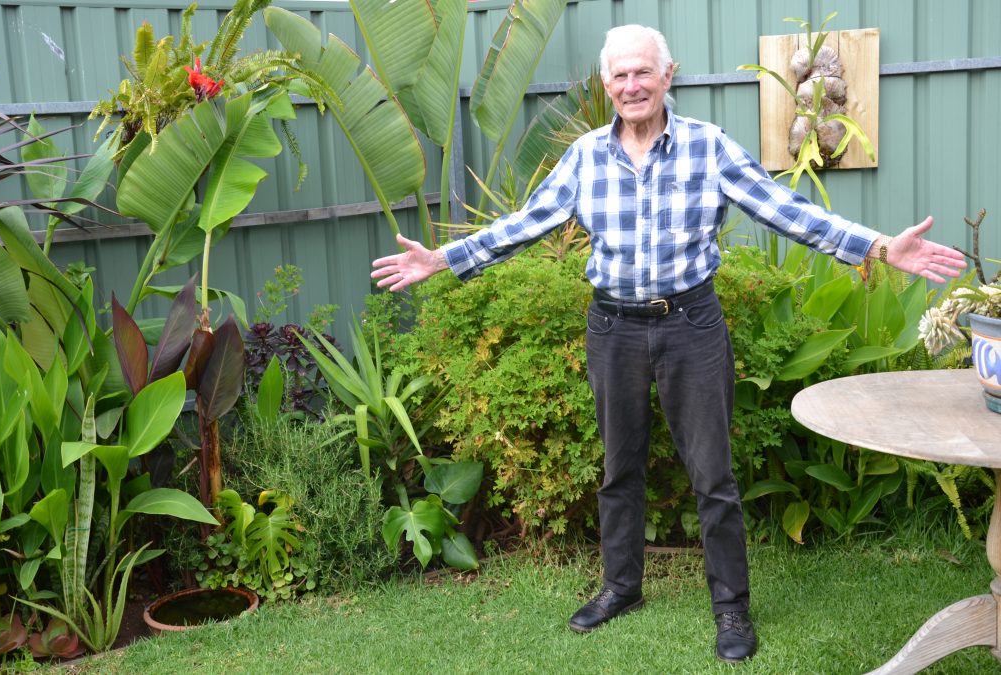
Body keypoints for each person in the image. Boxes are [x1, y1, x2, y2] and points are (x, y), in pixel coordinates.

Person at [370, 24, 967, 663]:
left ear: (668, 75)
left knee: (712, 475)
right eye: (619, 76)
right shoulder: (585, 158)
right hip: (613, 329)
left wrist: (877, 247)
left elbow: (786, 211)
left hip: (691, 327)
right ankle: (621, 587)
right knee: (618, 469)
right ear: (608, 85)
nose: (631, 86)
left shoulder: (708, 149)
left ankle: (732, 610)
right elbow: (524, 225)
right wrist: (444, 258)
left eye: (642, 73)